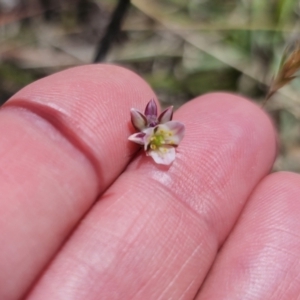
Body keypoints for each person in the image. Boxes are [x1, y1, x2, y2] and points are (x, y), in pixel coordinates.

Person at [0, 64, 299, 300]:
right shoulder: (150, 136)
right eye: (156, 137)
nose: (160, 138)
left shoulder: (160, 137)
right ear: (149, 133)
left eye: (160, 136)